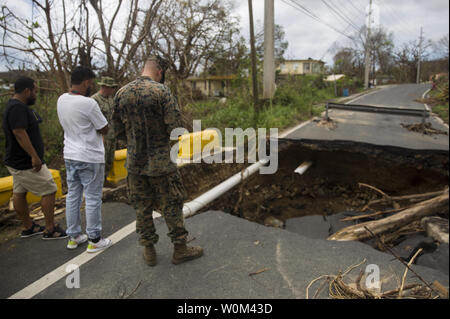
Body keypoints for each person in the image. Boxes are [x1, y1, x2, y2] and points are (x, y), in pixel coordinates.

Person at [113, 56, 203, 266]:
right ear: (160, 72)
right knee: (171, 204)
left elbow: (117, 132)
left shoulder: (121, 93)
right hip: (162, 164)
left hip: (135, 164)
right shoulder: (161, 92)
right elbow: (175, 129)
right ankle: (180, 249)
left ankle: (149, 251)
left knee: (141, 206)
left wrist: (136, 142)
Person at [2, 76, 67, 239]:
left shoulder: (14, 106)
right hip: (26, 162)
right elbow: (19, 133)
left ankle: (28, 227)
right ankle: (50, 228)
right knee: (49, 189)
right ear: (26, 91)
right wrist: (34, 156)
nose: (36, 94)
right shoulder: (18, 108)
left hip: (16, 160)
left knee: (19, 192)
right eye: (34, 91)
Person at [57, 66, 112, 253]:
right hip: (90, 156)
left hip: (70, 155)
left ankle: (73, 236)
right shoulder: (88, 104)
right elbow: (104, 128)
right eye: (91, 83)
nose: (92, 86)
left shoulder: (61, 100)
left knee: (73, 195)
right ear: (86, 82)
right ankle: (94, 239)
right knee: (93, 197)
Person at [91, 76, 118, 182]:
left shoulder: (111, 99)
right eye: (111, 88)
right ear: (105, 87)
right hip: (101, 136)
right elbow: (92, 120)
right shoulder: (94, 100)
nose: (113, 90)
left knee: (109, 160)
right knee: (100, 161)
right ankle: (97, 183)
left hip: (112, 135)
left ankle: (104, 180)